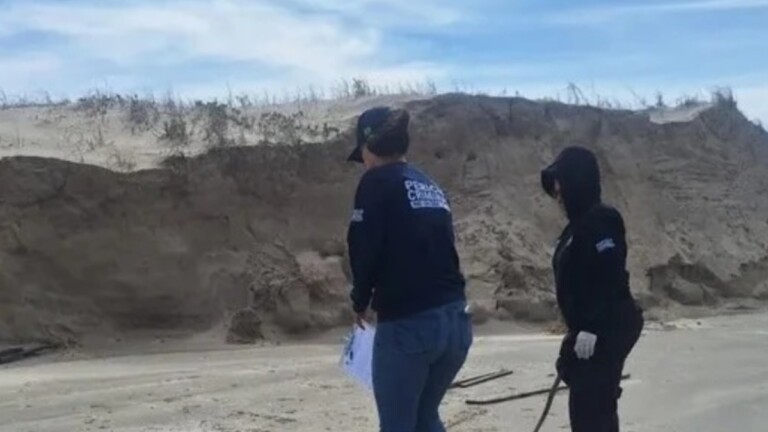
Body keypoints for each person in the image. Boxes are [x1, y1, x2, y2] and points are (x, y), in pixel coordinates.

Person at [346, 106, 473, 432]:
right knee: (425, 416)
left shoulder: (375, 183)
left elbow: (365, 249)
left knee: (399, 425)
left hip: (410, 325)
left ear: (368, 147)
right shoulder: (428, 184)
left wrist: (359, 302)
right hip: (455, 321)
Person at [540, 146, 644, 432]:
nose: (557, 193)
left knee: (592, 412)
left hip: (606, 328)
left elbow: (610, 275)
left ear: (576, 181)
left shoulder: (602, 220)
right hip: (589, 332)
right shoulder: (576, 227)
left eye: (560, 183)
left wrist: (593, 328)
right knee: (589, 406)